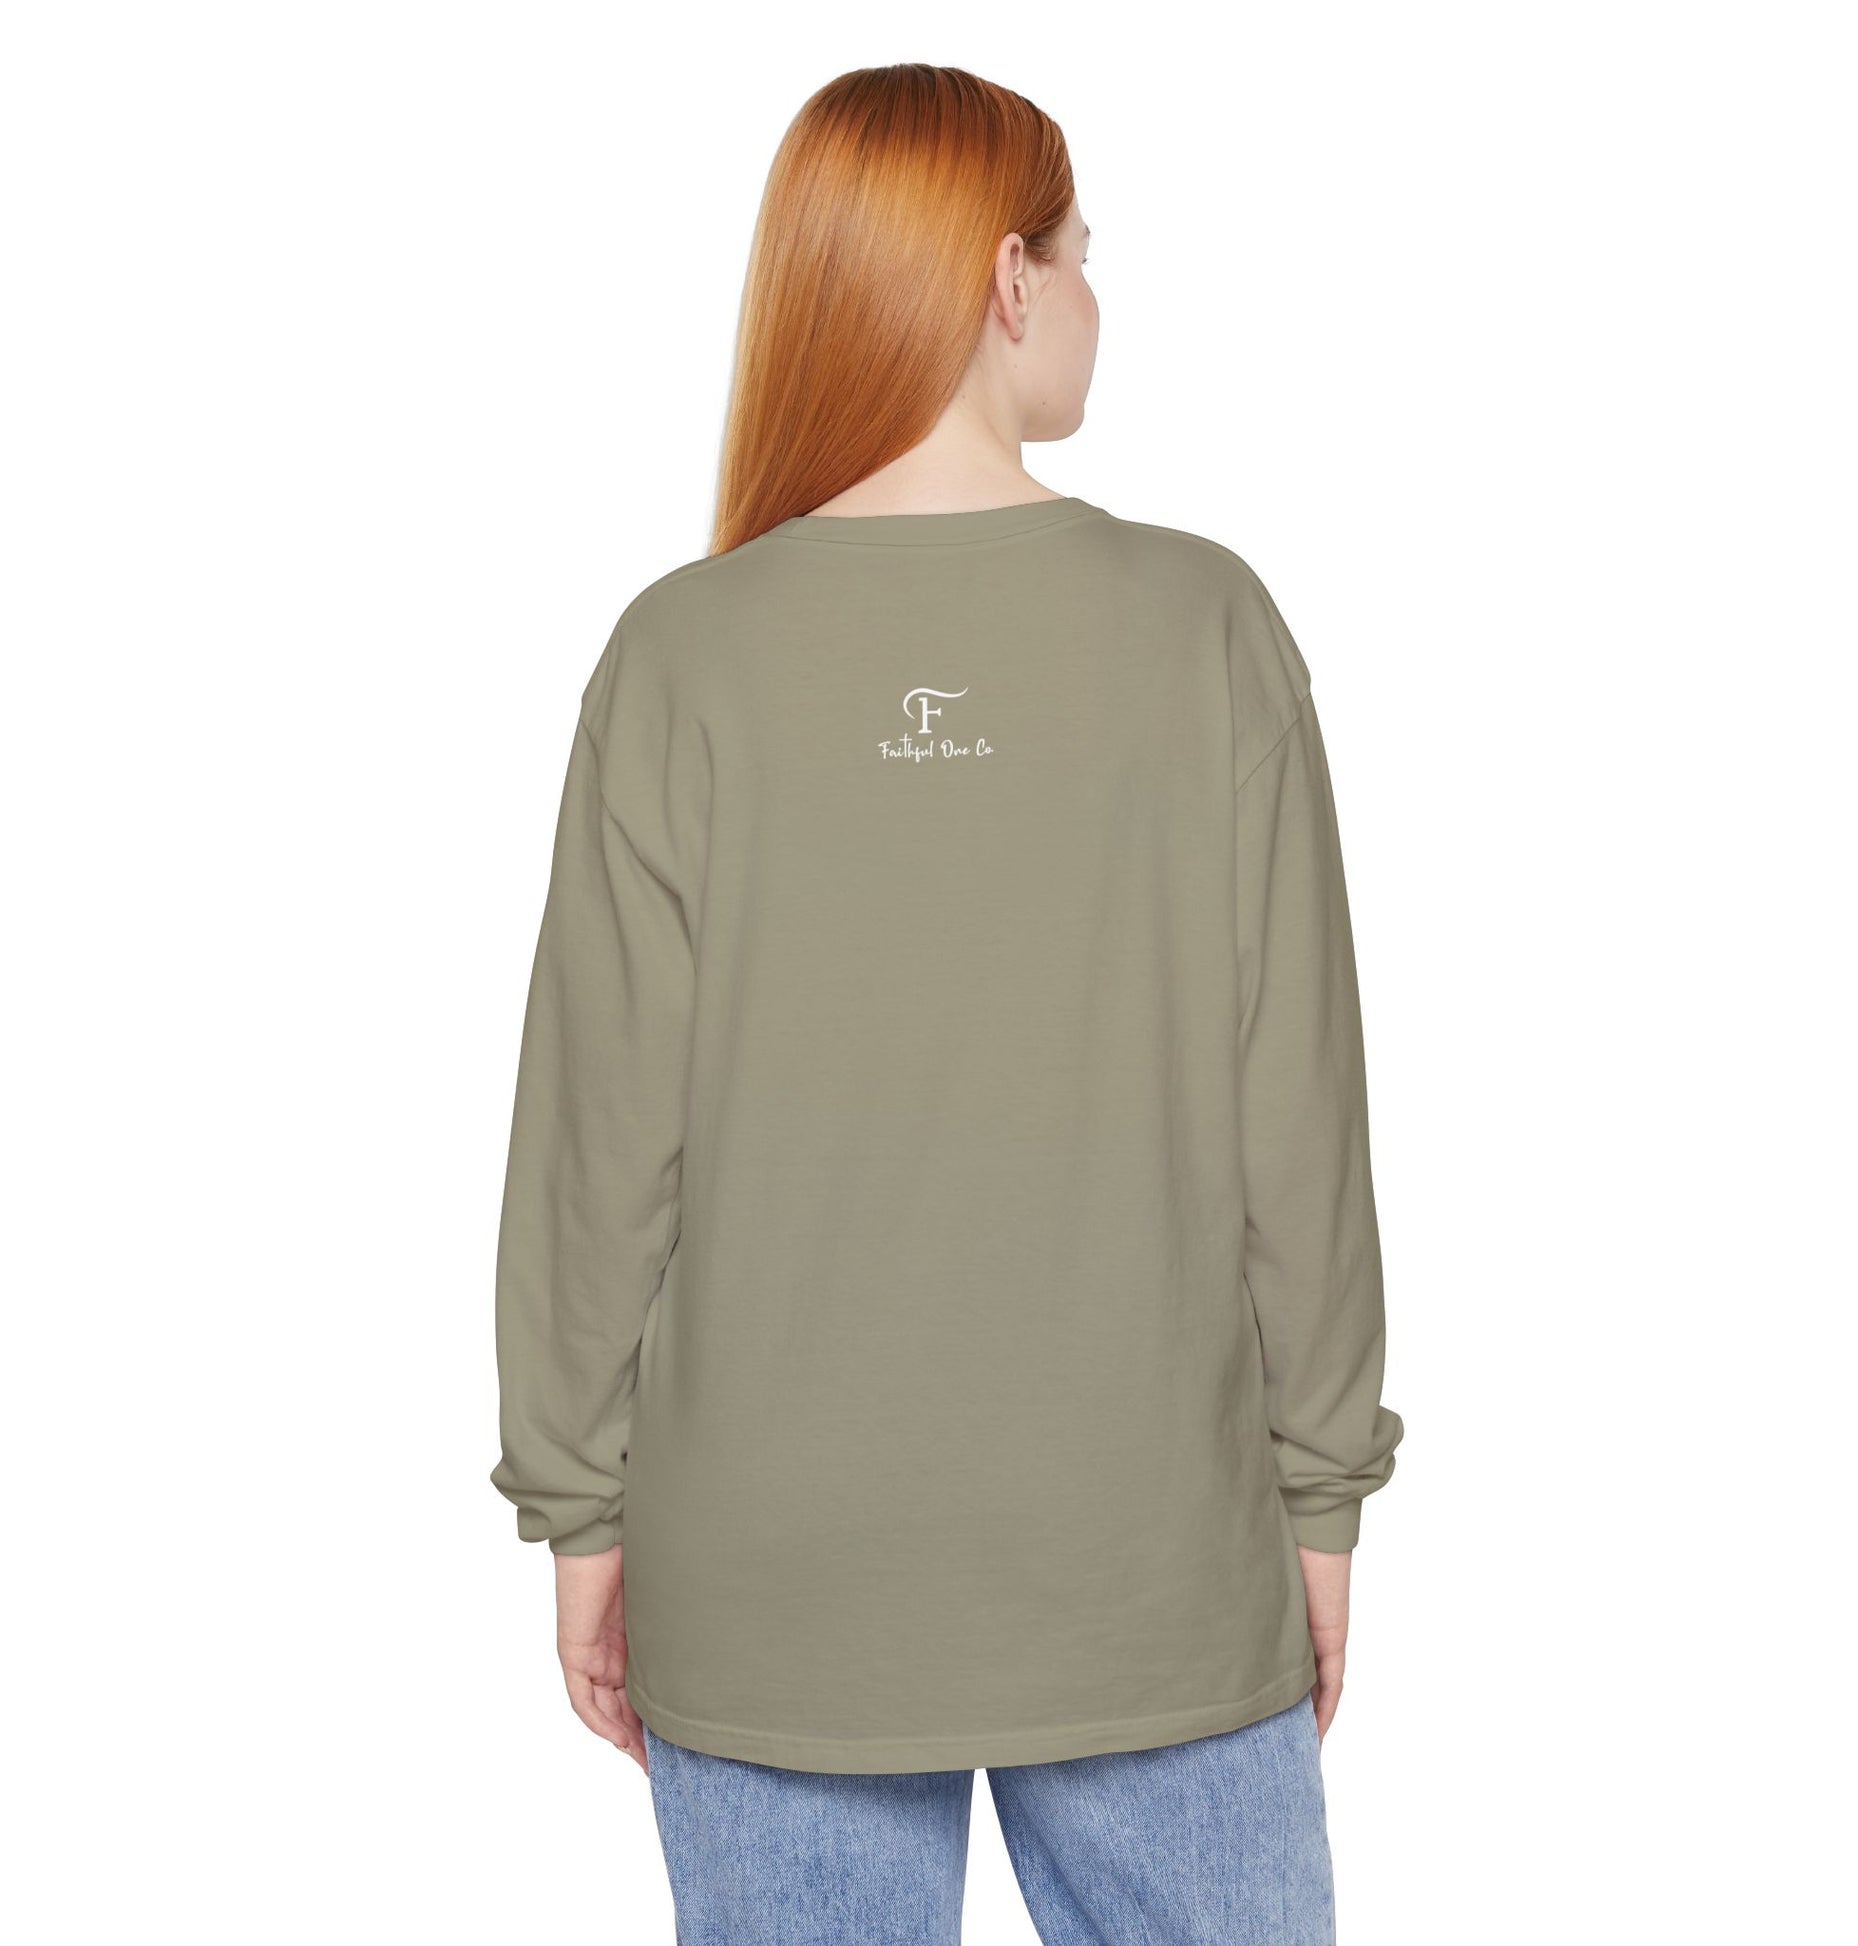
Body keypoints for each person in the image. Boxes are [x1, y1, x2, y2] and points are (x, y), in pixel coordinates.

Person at [492, 62, 1404, 1945]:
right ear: (1007, 278)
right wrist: (1322, 1500)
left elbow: (596, 1147)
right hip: (1151, 1573)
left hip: (771, 1582)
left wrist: (581, 1510)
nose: (1093, 296)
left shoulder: (683, 653)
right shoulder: (1205, 628)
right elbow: (1298, 1125)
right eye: (1081, 254)